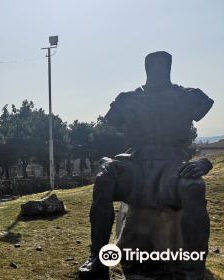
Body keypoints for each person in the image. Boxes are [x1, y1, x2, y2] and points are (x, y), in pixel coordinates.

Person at [78, 52, 214, 279]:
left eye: (161, 64)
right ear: (146, 67)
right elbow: (113, 120)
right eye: (153, 65)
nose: (157, 69)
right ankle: (97, 259)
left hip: (173, 164)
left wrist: (204, 162)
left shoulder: (188, 97)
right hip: (137, 165)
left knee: (193, 187)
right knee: (104, 179)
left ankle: (194, 268)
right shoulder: (128, 99)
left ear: (169, 66)